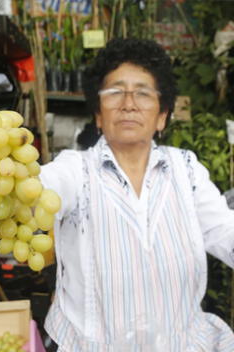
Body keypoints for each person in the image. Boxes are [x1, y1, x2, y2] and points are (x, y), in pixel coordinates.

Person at [39, 38, 234, 350]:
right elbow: (39, 188)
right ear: (98, 115)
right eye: (115, 92)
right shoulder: (77, 170)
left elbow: (225, 231)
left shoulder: (186, 170)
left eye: (143, 93)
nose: (128, 103)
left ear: (162, 116)